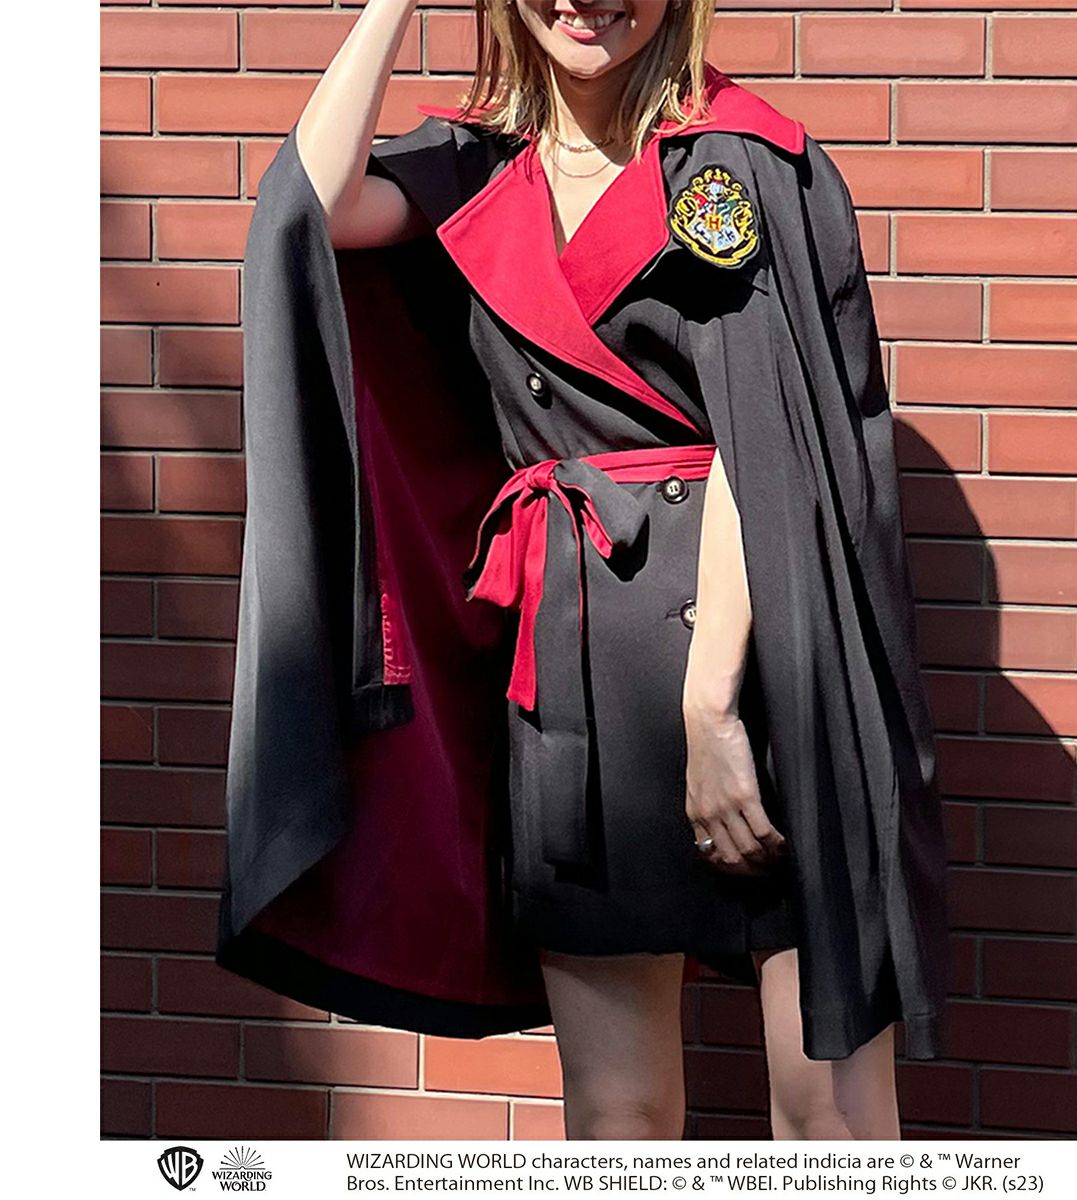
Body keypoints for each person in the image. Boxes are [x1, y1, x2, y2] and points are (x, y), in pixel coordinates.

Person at [218, 0, 949, 1142]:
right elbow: (303, 211)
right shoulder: (477, 168)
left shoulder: (738, 163)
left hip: (774, 659)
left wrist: (711, 708)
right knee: (618, 1116)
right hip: (574, 679)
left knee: (831, 1119)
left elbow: (771, 447)